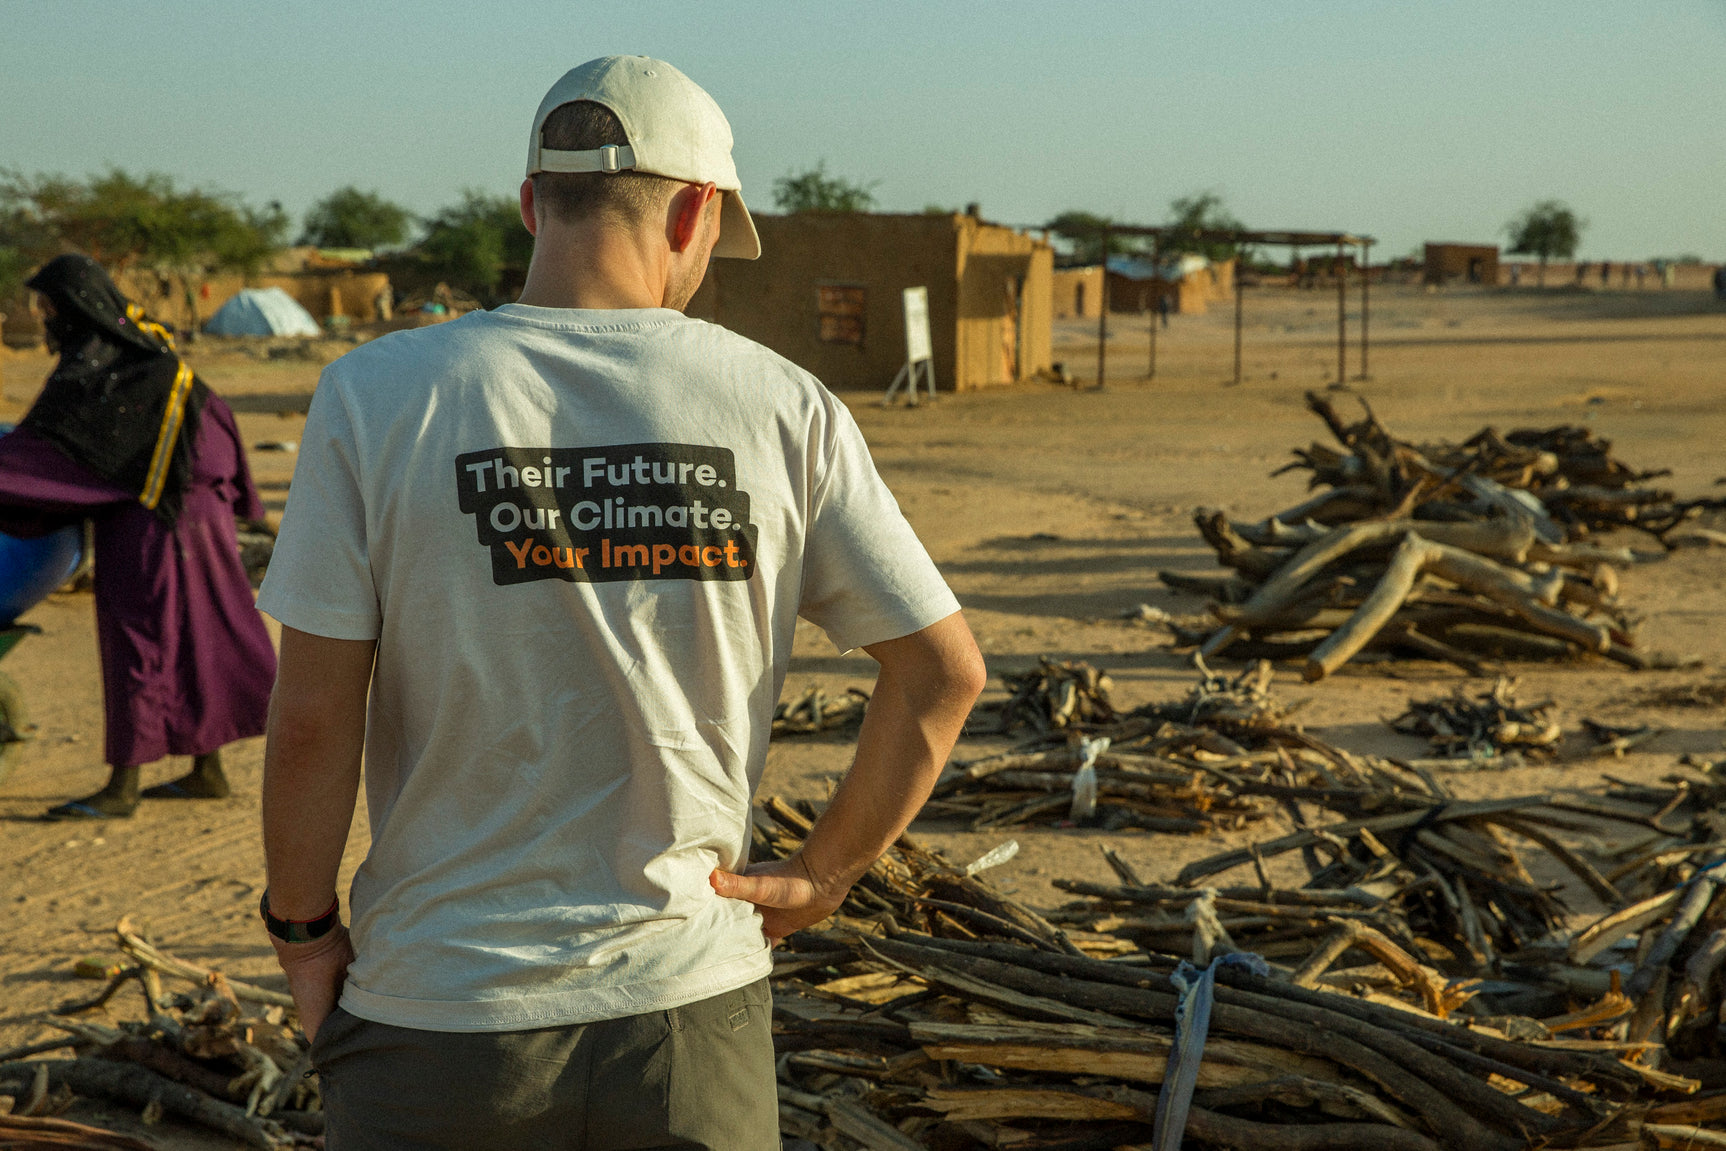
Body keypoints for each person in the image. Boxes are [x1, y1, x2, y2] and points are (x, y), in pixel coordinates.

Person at [258, 55, 984, 1150]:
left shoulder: (379, 392)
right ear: (696, 210)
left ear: (529, 203)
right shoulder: (783, 405)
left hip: (439, 1012)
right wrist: (820, 875)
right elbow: (942, 671)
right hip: (685, 1008)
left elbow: (313, 716)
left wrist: (304, 930)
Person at [0, 254, 276, 819]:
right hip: (203, 525)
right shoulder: (156, 361)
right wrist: (239, 500)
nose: (47, 318)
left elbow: (47, 455)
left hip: (153, 529)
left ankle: (123, 788)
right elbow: (218, 430)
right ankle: (208, 772)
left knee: (141, 646)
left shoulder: (98, 374)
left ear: (77, 308)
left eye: (50, 307)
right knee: (200, 641)